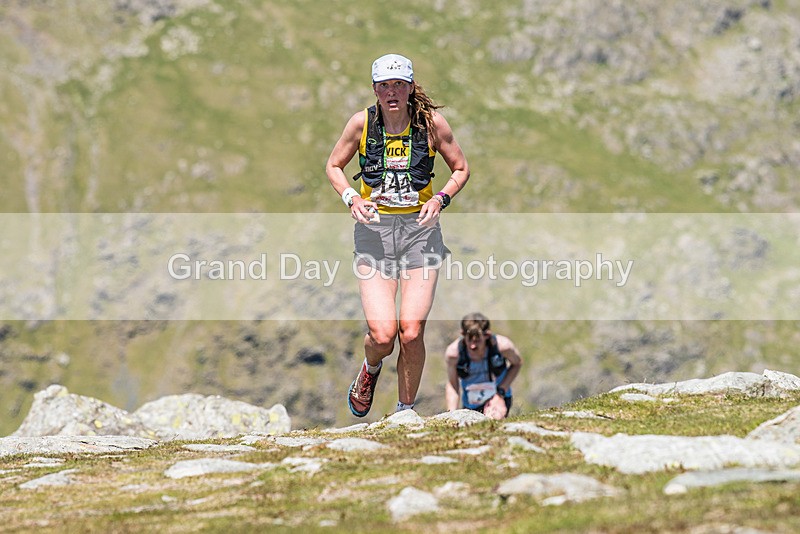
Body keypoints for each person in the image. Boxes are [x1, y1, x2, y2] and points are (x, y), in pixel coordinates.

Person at [325, 53, 470, 417]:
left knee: (411, 330)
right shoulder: (361, 124)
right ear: (375, 89)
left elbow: (461, 168)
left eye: (399, 85)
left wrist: (440, 198)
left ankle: (405, 413)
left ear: (410, 87)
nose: (392, 92)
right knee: (384, 335)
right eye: (385, 85)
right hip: (374, 236)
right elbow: (333, 165)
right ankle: (370, 370)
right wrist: (351, 198)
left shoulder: (432, 124)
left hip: (421, 235)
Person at [445, 312, 522, 419]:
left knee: (495, 420)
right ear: (463, 334)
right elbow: (453, 384)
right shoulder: (454, 353)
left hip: (498, 397)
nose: (473, 345)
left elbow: (517, 364)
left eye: (477, 340)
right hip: (471, 404)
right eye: (469, 340)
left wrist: (501, 392)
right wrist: (451, 414)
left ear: (487, 335)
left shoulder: (503, 346)